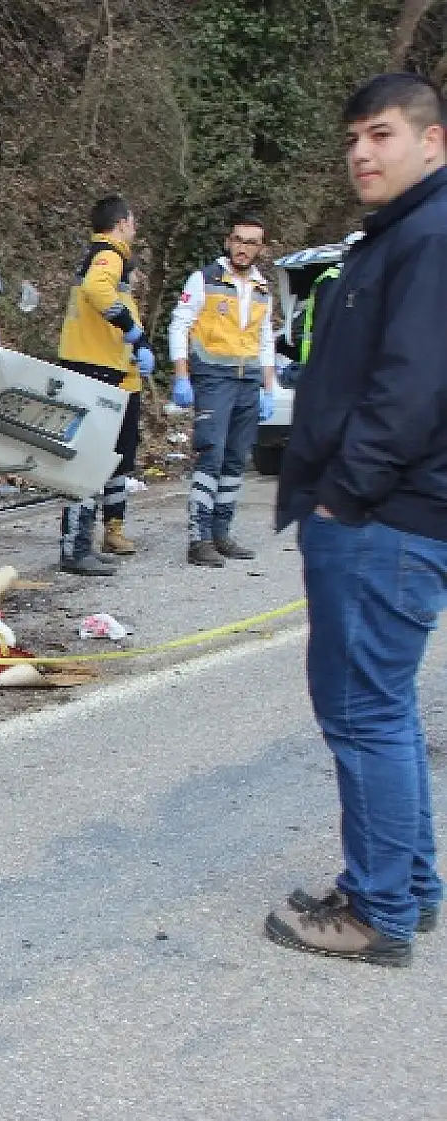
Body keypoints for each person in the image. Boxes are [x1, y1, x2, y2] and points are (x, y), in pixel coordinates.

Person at [265, 72, 447, 967]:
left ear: (432, 142)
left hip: (382, 518)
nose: (361, 154)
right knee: (384, 709)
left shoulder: (432, 237)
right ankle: (407, 884)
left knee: (363, 711)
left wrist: (345, 492)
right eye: (352, 140)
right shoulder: (402, 236)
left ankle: (376, 913)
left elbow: (411, 388)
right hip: (388, 515)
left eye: (380, 134)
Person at [167, 214, 279, 567]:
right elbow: (179, 325)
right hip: (213, 379)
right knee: (211, 454)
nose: (243, 248)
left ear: (260, 248)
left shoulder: (262, 289)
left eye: (251, 243)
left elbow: (264, 342)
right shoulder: (204, 279)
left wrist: (269, 387)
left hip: (248, 382)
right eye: (238, 240)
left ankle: (221, 533)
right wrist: (182, 376)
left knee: (235, 459)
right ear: (228, 241)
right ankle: (198, 540)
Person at [54, 194, 154, 576]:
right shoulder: (110, 254)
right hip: (93, 369)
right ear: (123, 222)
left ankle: (92, 539)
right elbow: (99, 290)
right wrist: (131, 330)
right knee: (88, 459)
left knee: (100, 457)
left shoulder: (102, 253)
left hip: (100, 366)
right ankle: (76, 549)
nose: (135, 228)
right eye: (133, 222)